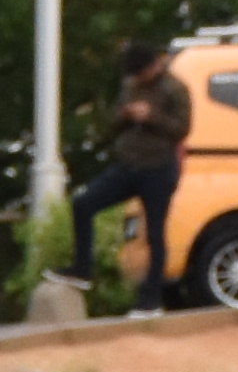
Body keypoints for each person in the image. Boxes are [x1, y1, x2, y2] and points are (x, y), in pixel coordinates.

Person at [66, 39, 194, 305]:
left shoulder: (174, 89)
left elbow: (182, 129)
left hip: (158, 168)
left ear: (154, 67)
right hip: (127, 165)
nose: (140, 80)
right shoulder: (129, 86)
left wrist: (152, 116)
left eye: (143, 74)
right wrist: (125, 115)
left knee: (155, 234)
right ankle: (81, 268)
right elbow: (111, 122)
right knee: (83, 204)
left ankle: (151, 297)